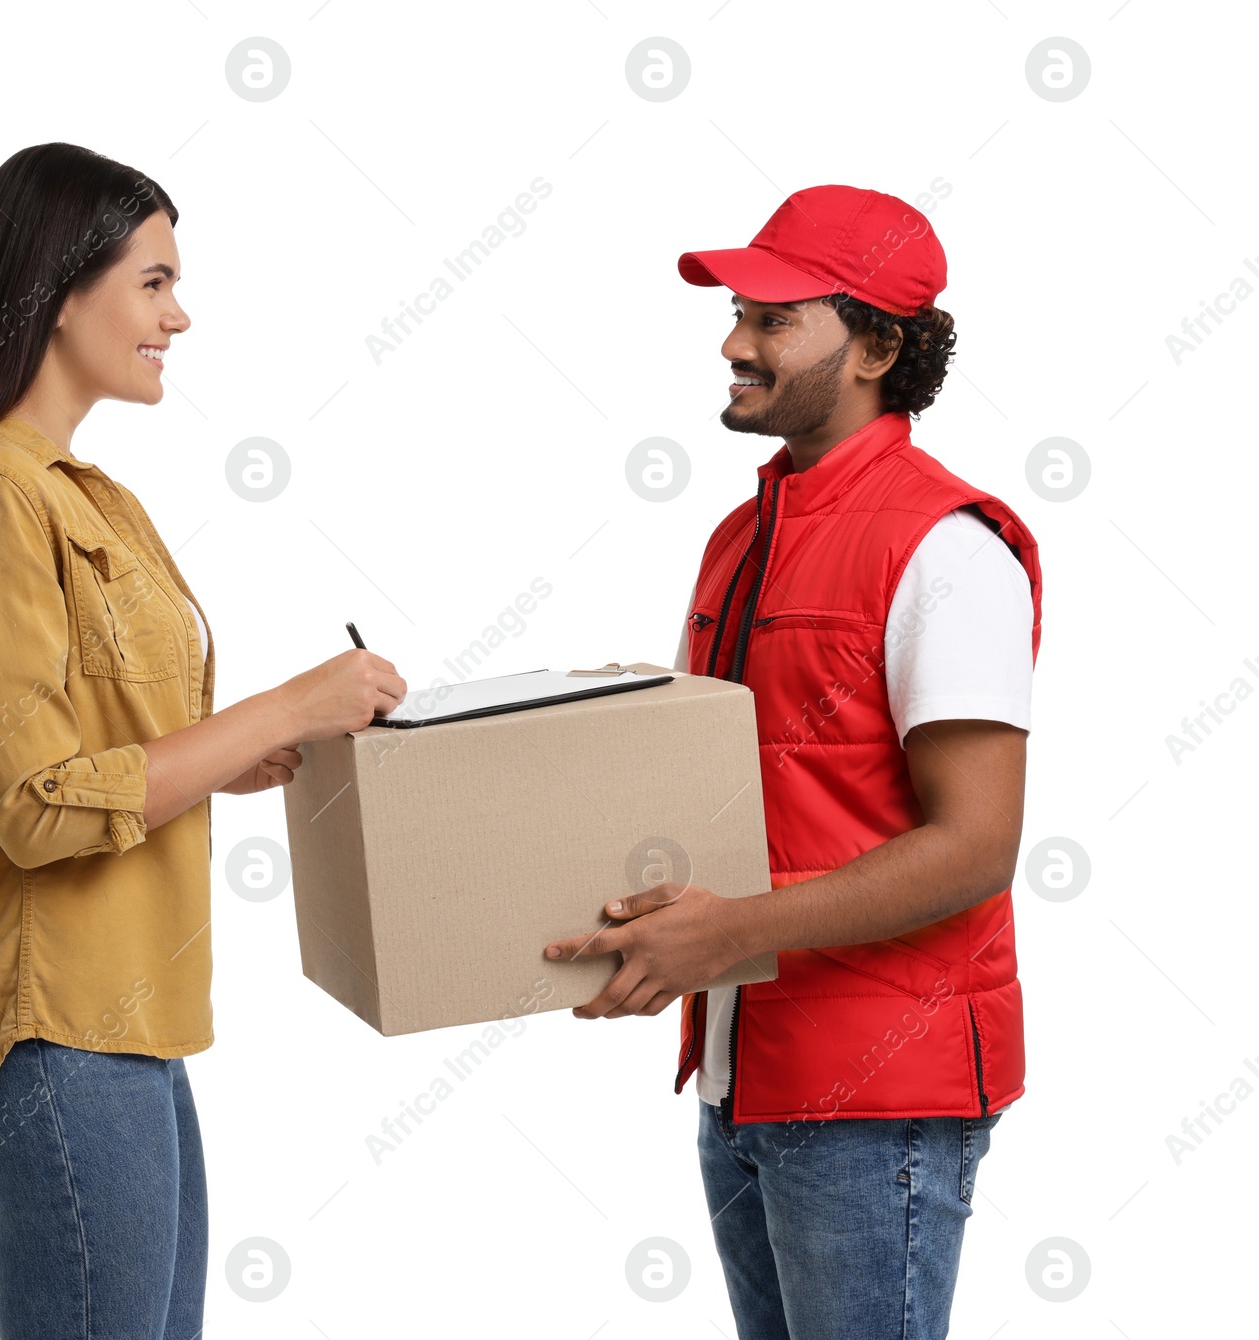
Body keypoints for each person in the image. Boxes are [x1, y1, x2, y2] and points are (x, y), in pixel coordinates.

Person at [0, 142, 406, 1339]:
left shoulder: (90, 496)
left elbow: (116, 750)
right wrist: (285, 706)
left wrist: (256, 747)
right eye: (154, 282)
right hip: (55, 1015)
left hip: (132, 1017)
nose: (182, 314)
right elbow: (44, 802)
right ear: (62, 288)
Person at [543, 184, 1042, 1339]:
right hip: (740, 1068)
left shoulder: (947, 547)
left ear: (875, 345)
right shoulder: (741, 533)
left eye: (772, 316)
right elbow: (720, 776)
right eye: (736, 311)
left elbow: (976, 845)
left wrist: (730, 931)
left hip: (875, 1087)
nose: (733, 341)